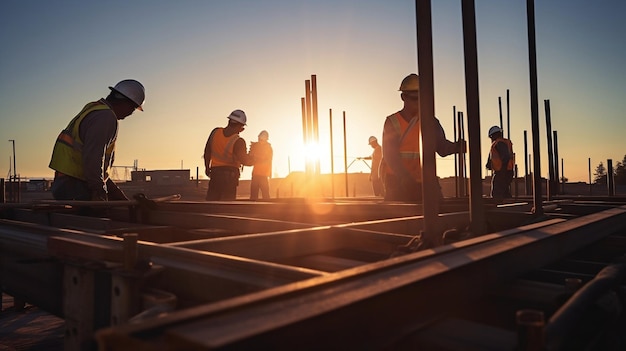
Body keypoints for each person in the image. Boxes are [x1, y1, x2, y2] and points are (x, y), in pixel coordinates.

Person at [49, 79, 145, 201]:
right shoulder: (105, 117)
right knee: (98, 217)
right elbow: (93, 158)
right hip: (76, 186)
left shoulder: (94, 109)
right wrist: (99, 190)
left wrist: (117, 196)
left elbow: (96, 166)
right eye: (132, 109)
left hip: (68, 182)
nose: (130, 114)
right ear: (125, 103)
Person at [382, 73, 466, 202]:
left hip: (424, 182)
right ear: (403, 97)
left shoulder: (431, 122)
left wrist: (457, 147)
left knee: (438, 214)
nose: (418, 103)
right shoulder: (393, 122)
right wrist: (406, 178)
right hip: (398, 183)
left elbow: (442, 148)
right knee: (398, 219)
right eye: (414, 99)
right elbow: (390, 156)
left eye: (420, 98)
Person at [204, 110, 254, 200]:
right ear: (240, 127)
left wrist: (207, 168)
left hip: (214, 175)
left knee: (211, 206)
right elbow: (245, 161)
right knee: (226, 208)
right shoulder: (238, 141)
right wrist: (256, 158)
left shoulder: (215, 132)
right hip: (229, 179)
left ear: (229, 121)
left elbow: (207, 152)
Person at [486, 125, 514, 201]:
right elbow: (493, 156)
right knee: (504, 192)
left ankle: (498, 211)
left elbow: (505, 157)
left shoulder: (499, 143)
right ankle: (509, 207)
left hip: (502, 172)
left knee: (496, 193)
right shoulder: (499, 143)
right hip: (507, 171)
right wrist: (489, 164)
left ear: (494, 135)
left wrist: (502, 171)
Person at [249, 130, 273, 200]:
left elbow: (267, 160)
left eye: (262, 139)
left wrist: (255, 157)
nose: (260, 140)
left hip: (263, 175)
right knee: (253, 197)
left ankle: (266, 210)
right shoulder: (256, 146)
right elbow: (250, 157)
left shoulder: (268, 148)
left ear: (266, 139)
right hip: (256, 174)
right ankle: (253, 209)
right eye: (259, 138)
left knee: (265, 196)